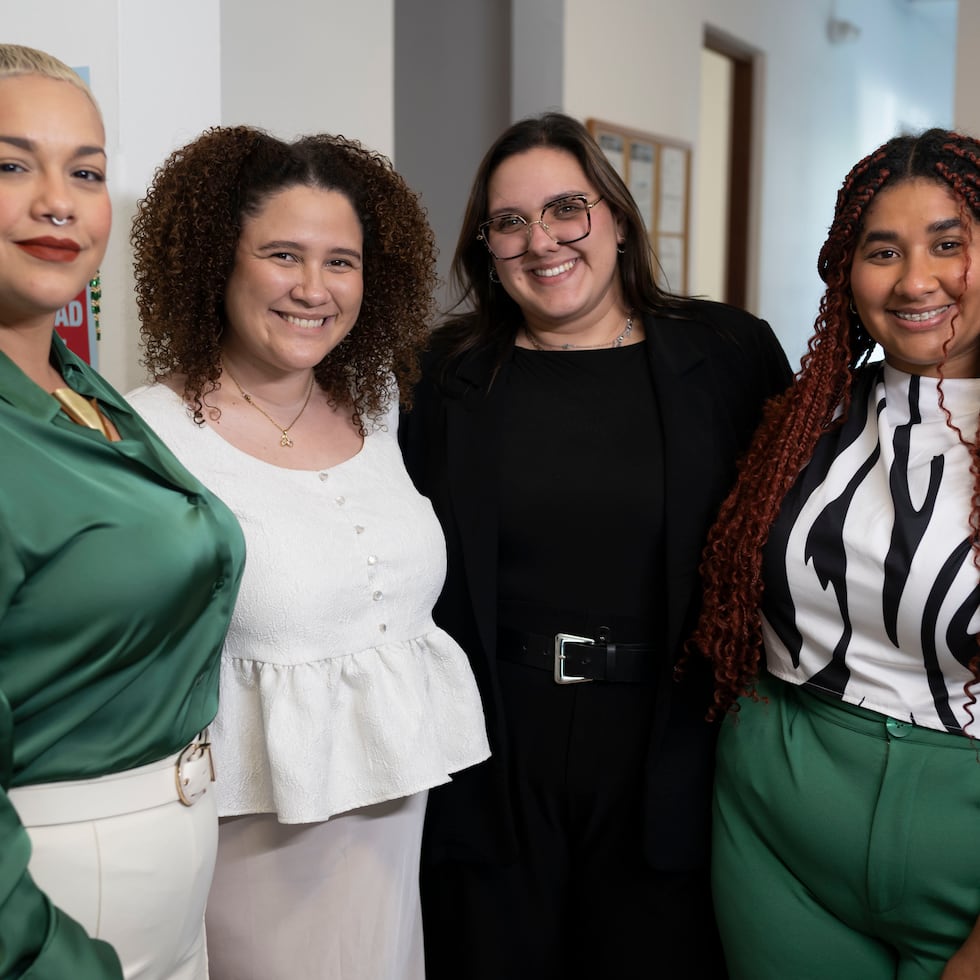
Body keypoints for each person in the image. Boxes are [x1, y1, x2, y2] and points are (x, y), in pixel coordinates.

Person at [397, 111, 792, 980]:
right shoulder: (441, 374)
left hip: (669, 739)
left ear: (615, 216)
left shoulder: (730, 354)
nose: (542, 242)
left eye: (566, 209)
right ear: (487, 249)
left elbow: (796, 525)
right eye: (510, 222)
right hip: (495, 747)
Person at [125, 125, 490, 980]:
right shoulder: (152, 431)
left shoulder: (376, 408)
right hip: (247, 830)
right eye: (282, 255)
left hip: (395, 817)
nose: (312, 288)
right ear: (220, 261)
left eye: (341, 261)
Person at [690, 127, 980, 980]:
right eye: (882, 250)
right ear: (845, 274)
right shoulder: (802, 419)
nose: (915, 280)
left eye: (949, 244)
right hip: (774, 832)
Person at [0, 44, 245, 979]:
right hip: (56, 885)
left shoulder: (84, 391)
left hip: (171, 861)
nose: (57, 199)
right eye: (12, 164)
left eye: (87, 171)